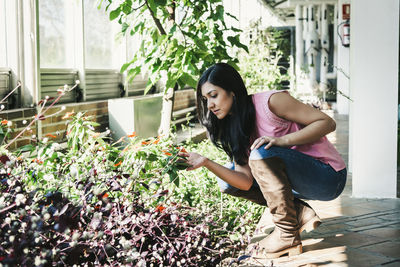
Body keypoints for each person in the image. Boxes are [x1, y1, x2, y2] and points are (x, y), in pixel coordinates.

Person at [179, 63, 347, 259]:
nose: (209, 105)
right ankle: (299, 214)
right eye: (205, 99)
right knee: (227, 182)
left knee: (260, 154)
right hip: (296, 182)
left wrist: (281, 141)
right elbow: (245, 181)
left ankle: (286, 234)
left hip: (328, 177)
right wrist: (206, 162)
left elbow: (327, 122)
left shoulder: (272, 102)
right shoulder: (233, 125)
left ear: (232, 91)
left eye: (213, 95)